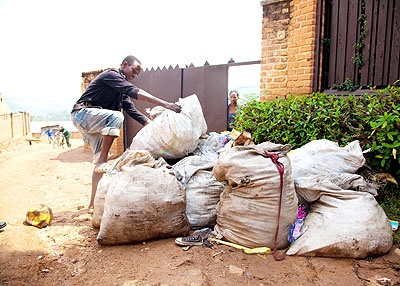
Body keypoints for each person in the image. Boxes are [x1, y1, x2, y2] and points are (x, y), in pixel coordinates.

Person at [71, 55, 181, 210]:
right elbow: (134, 91)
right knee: (116, 116)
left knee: (100, 168)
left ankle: (92, 205)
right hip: (82, 114)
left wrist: (153, 126)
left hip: (94, 123)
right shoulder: (111, 75)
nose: (134, 76)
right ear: (124, 65)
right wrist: (166, 104)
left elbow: (132, 111)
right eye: (133, 71)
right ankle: (103, 158)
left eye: (137, 74)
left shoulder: (121, 92)